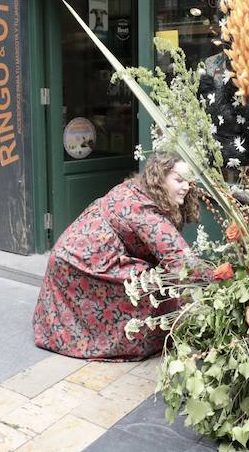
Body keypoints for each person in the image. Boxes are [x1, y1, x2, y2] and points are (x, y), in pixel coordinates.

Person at [32, 151, 198, 360]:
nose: (186, 187)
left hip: (70, 254)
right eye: (179, 180)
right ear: (160, 177)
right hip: (80, 262)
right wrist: (220, 276)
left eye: (188, 182)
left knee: (157, 276)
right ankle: (133, 340)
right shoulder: (143, 210)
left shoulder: (137, 189)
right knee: (150, 282)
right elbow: (181, 260)